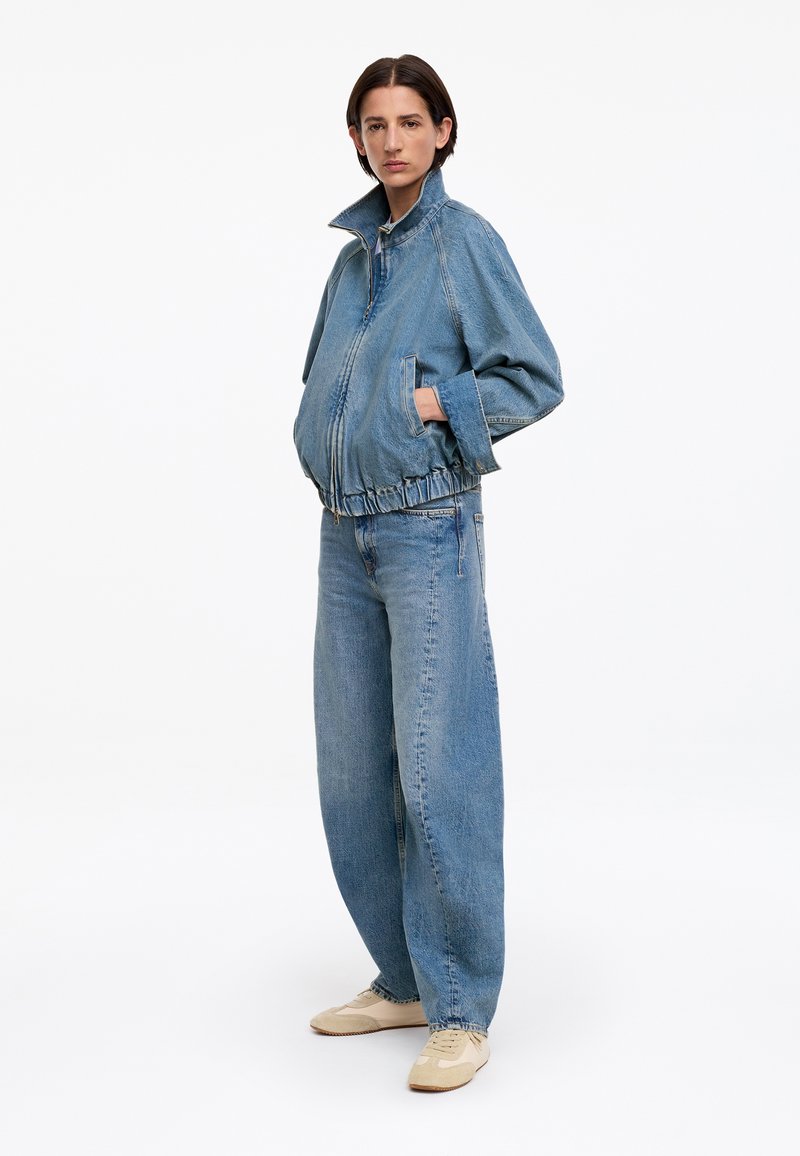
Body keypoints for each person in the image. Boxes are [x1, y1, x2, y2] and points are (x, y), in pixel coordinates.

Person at [292, 54, 563, 1092]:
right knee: (353, 775)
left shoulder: (461, 242)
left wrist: (439, 403)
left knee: (437, 768)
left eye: (411, 121)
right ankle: (403, 978)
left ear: (443, 130)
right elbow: (330, 380)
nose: (392, 140)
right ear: (356, 139)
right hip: (342, 534)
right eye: (375, 124)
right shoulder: (351, 261)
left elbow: (531, 374)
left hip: (424, 530)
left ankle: (457, 1007)